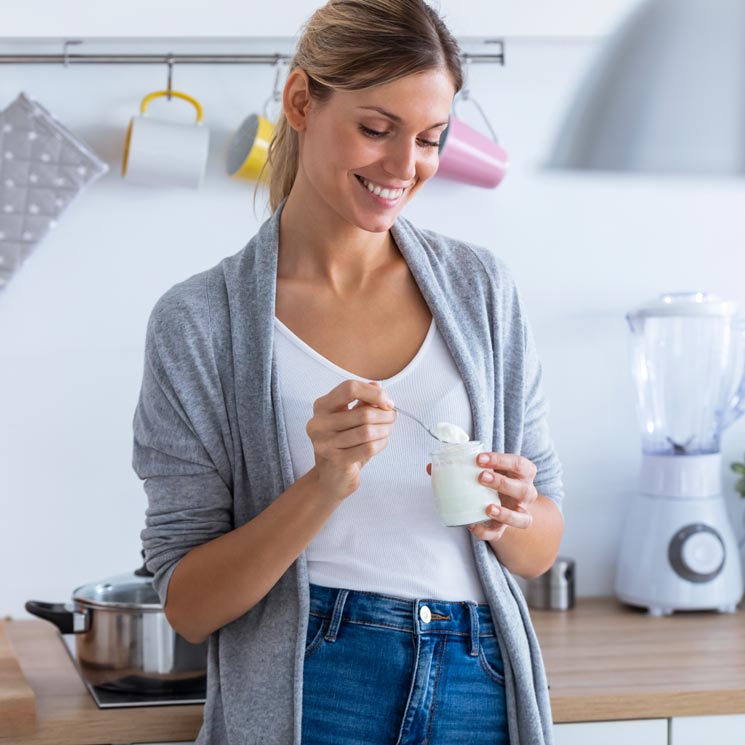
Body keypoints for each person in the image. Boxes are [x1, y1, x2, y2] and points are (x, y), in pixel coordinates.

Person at [133, 1, 564, 743]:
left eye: (430, 139)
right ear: (301, 102)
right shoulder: (199, 321)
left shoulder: (480, 290)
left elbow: (541, 543)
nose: (404, 168)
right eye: (375, 129)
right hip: (315, 682)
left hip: (477, 675)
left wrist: (512, 512)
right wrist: (323, 480)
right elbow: (189, 605)